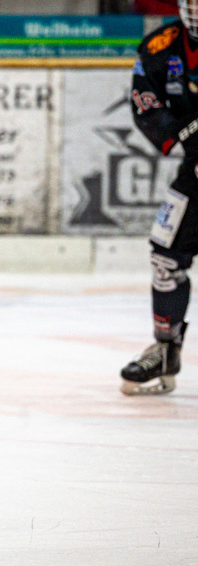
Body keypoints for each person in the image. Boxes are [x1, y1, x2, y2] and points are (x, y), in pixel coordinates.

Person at [120, 0, 197, 395]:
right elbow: (144, 101)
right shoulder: (160, 47)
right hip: (197, 169)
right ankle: (167, 350)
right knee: (165, 258)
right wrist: (186, 133)